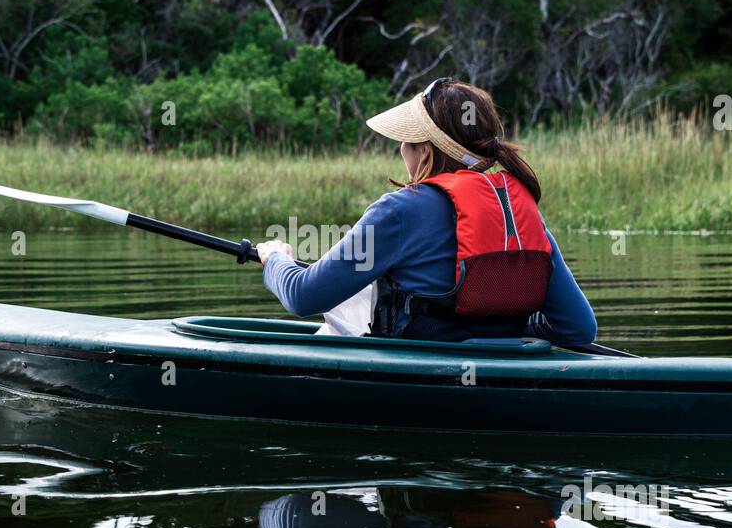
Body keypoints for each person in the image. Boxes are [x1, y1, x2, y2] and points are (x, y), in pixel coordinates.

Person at [255, 78, 597, 343]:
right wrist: (508, 329)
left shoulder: (399, 211)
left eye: (406, 139)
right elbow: (579, 329)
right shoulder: (519, 214)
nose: (401, 148)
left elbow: (302, 296)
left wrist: (276, 260)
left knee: (344, 303)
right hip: (503, 365)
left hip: (420, 368)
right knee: (357, 292)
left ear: (424, 149)